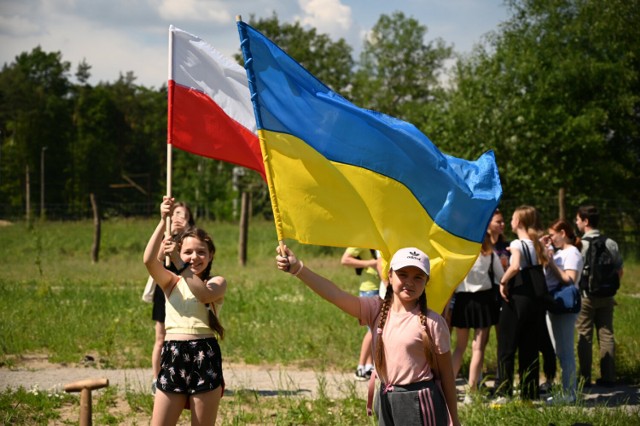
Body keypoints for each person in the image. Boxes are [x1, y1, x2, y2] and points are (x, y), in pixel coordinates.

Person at [276, 246, 460, 426]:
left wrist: (454, 419)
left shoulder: (433, 322)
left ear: (426, 281)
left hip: (419, 402)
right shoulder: (376, 309)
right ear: (389, 275)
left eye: (418, 277)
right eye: (403, 274)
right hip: (385, 396)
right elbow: (335, 295)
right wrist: (298, 269)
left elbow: (446, 375)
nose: (410, 282)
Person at [144, 196, 226, 425]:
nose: (194, 257)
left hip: (204, 355)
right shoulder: (170, 282)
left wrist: (180, 264)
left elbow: (203, 295)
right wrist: (162, 222)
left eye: (201, 252)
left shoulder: (216, 282)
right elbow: (149, 261)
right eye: (188, 252)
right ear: (179, 252)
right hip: (173, 355)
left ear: (210, 256)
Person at [494, 205, 546, 402]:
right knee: (529, 346)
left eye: (513, 218)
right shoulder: (536, 244)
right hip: (534, 299)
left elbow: (515, 265)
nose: (510, 222)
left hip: (516, 298)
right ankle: (530, 392)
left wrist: (503, 281)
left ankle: (504, 392)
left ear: (520, 222)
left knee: (506, 346)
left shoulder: (517, 243)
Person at [451, 232, 503, 402]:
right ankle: (472, 391)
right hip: (483, 301)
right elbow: (501, 277)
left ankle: (448, 387)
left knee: (460, 347)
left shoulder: (460, 255)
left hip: (462, 302)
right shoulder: (491, 255)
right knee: (478, 347)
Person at [575, 205, 624, 387]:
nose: (576, 223)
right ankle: (609, 376)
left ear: (586, 222)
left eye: (578, 220)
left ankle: (585, 378)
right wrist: (610, 289)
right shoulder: (611, 243)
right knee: (606, 334)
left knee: (584, 335)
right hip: (607, 295)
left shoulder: (581, 244)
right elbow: (619, 270)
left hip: (586, 296)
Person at [151, 201, 195, 393]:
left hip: (184, 287)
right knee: (161, 337)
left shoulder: (191, 240)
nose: (178, 218)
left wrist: (182, 236)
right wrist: (169, 236)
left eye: (183, 216)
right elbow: (156, 260)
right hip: (164, 286)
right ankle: (156, 378)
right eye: (176, 213)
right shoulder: (164, 236)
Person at [542, 219, 584, 404]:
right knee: (560, 350)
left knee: (566, 350)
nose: (551, 238)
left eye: (553, 234)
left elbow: (570, 278)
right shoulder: (560, 252)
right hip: (555, 305)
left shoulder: (572, 253)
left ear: (563, 233)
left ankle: (570, 393)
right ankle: (566, 391)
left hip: (565, 306)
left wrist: (551, 263)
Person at [341, 248, 380, 380]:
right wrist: (371, 263)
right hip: (370, 291)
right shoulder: (361, 240)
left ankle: (369, 366)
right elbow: (345, 260)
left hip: (378, 289)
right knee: (373, 330)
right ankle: (360, 367)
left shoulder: (374, 239)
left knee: (373, 329)